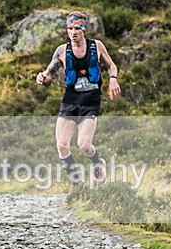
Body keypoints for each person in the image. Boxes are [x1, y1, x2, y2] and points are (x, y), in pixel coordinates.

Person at [36, 10, 121, 188]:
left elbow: (112, 66)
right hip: (70, 99)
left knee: (83, 145)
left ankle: (98, 163)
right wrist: (42, 76)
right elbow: (49, 72)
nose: (73, 32)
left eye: (77, 28)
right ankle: (76, 186)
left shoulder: (96, 46)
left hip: (91, 99)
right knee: (62, 145)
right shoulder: (62, 51)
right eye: (70, 29)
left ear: (83, 29)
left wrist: (113, 80)